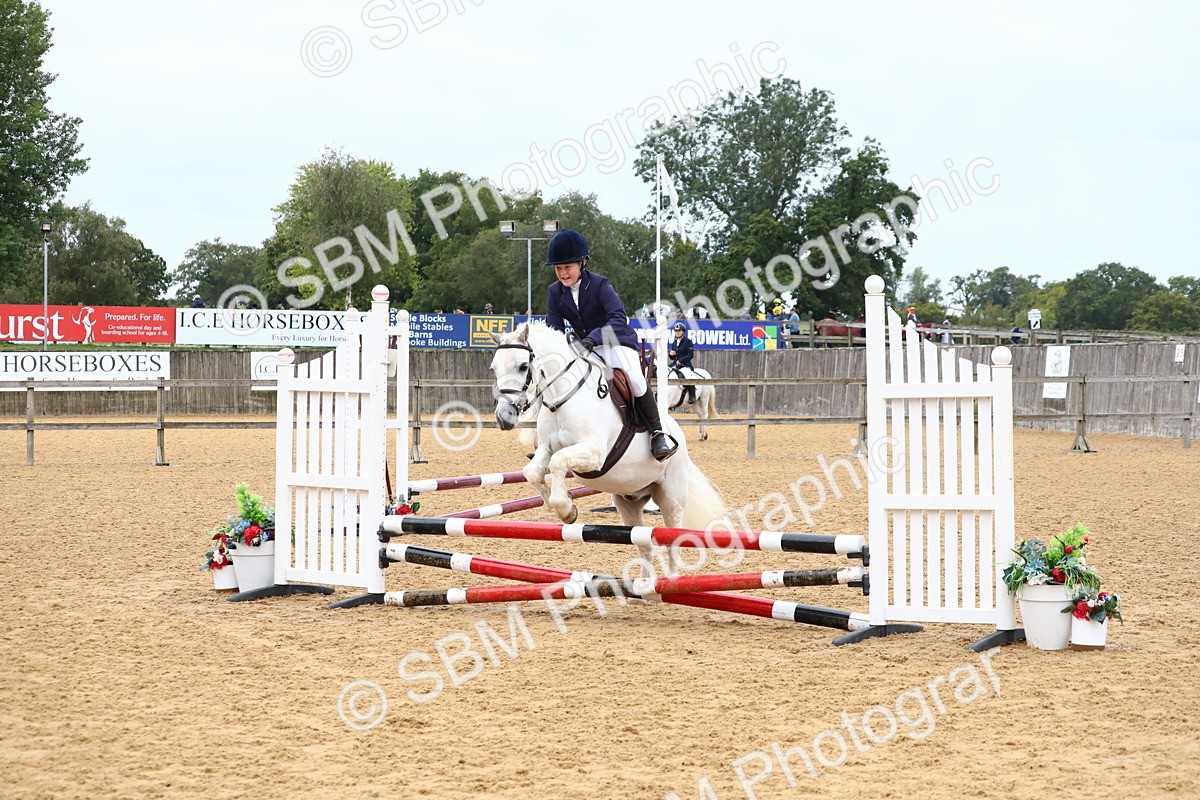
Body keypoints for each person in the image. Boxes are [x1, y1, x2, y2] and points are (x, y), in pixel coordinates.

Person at [544, 229, 677, 461]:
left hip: (616, 341)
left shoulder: (600, 284)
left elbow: (617, 318)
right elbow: (553, 328)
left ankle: (657, 433)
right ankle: (550, 440)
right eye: (558, 268)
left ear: (581, 263)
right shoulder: (554, 292)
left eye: (568, 267)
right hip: (586, 347)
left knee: (635, 379)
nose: (563, 273)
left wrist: (593, 339)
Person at [668, 321, 697, 406]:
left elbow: (690, 355)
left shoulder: (688, 342)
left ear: (683, 332)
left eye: (679, 331)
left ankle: (692, 396)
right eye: (676, 331)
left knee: (687, 375)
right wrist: (671, 354)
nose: (677, 332)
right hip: (675, 364)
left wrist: (681, 361)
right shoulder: (674, 342)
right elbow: (673, 357)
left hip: (685, 365)